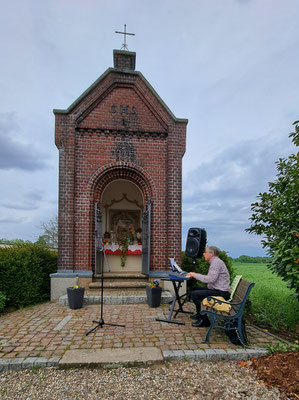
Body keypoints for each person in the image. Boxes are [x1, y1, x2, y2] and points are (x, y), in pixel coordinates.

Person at [186, 246, 230, 327]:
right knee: (194, 289)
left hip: (221, 293)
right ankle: (200, 314)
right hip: (217, 289)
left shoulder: (216, 263)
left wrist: (195, 275)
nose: (203, 254)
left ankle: (204, 320)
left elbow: (211, 279)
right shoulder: (215, 261)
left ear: (211, 254)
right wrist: (194, 275)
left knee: (195, 294)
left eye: (205, 252)